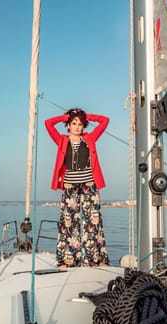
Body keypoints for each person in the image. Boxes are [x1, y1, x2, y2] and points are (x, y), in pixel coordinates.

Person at [45, 108, 110, 268]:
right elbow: (48, 124)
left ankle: (96, 260)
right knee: (68, 224)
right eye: (74, 123)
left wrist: (86, 116)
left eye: (80, 124)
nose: (77, 126)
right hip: (69, 187)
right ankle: (67, 261)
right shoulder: (61, 140)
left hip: (89, 185)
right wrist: (66, 116)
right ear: (68, 125)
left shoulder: (90, 138)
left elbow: (104, 120)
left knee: (93, 223)